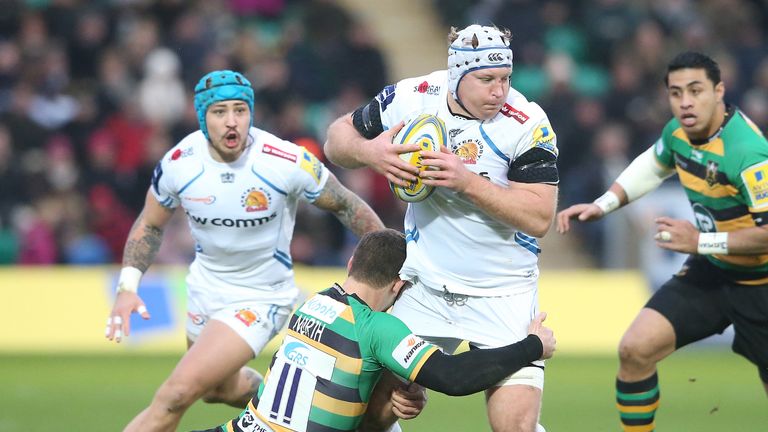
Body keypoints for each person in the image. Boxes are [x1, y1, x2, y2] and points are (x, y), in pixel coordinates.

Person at [103, 70, 386, 432]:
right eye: (220, 112)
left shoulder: (284, 160)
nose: (232, 121)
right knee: (219, 389)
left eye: (240, 110)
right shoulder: (178, 163)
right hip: (204, 290)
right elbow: (150, 224)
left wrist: (390, 268)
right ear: (202, 116)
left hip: (260, 297)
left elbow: (349, 206)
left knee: (175, 396)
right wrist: (128, 287)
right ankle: (310, 404)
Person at [324, 24, 559, 432]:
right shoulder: (412, 97)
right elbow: (335, 140)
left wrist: (466, 181)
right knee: (369, 417)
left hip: (504, 293)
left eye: (505, 79)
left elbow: (540, 218)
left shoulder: (527, 122)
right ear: (456, 75)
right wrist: (371, 152)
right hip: (424, 287)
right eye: (486, 80)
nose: (499, 92)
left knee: (513, 428)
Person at [556, 51, 768, 432]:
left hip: (760, 285)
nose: (685, 102)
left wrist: (702, 241)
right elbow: (653, 165)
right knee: (635, 349)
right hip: (712, 274)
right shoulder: (678, 133)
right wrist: (603, 204)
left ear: (719, 91)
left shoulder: (749, 155)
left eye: (695, 90)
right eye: (675, 92)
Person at [195, 229, 556, 432]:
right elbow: (454, 377)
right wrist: (531, 346)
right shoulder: (378, 328)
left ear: (352, 263)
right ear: (399, 286)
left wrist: (402, 396)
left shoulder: (314, 303)